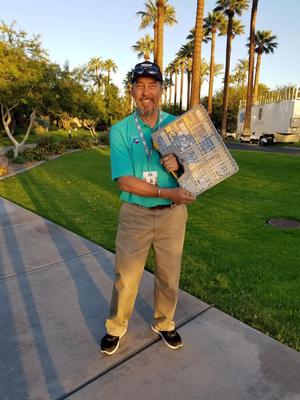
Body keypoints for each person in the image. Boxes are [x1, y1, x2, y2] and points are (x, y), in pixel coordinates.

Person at [100, 61, 195, 356]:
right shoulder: (120, 130)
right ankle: (116, 326)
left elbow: (196, 171)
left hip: (172, 215)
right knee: (126, 277)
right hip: (135, 215)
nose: (146, 92)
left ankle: (164, 323)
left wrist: (179, 165)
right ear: (131, 91)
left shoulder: (176, 126)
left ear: (161, 91)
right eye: (139, 85)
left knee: (169, 275)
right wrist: (167, 190)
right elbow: (125, 181)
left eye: (152, 85)